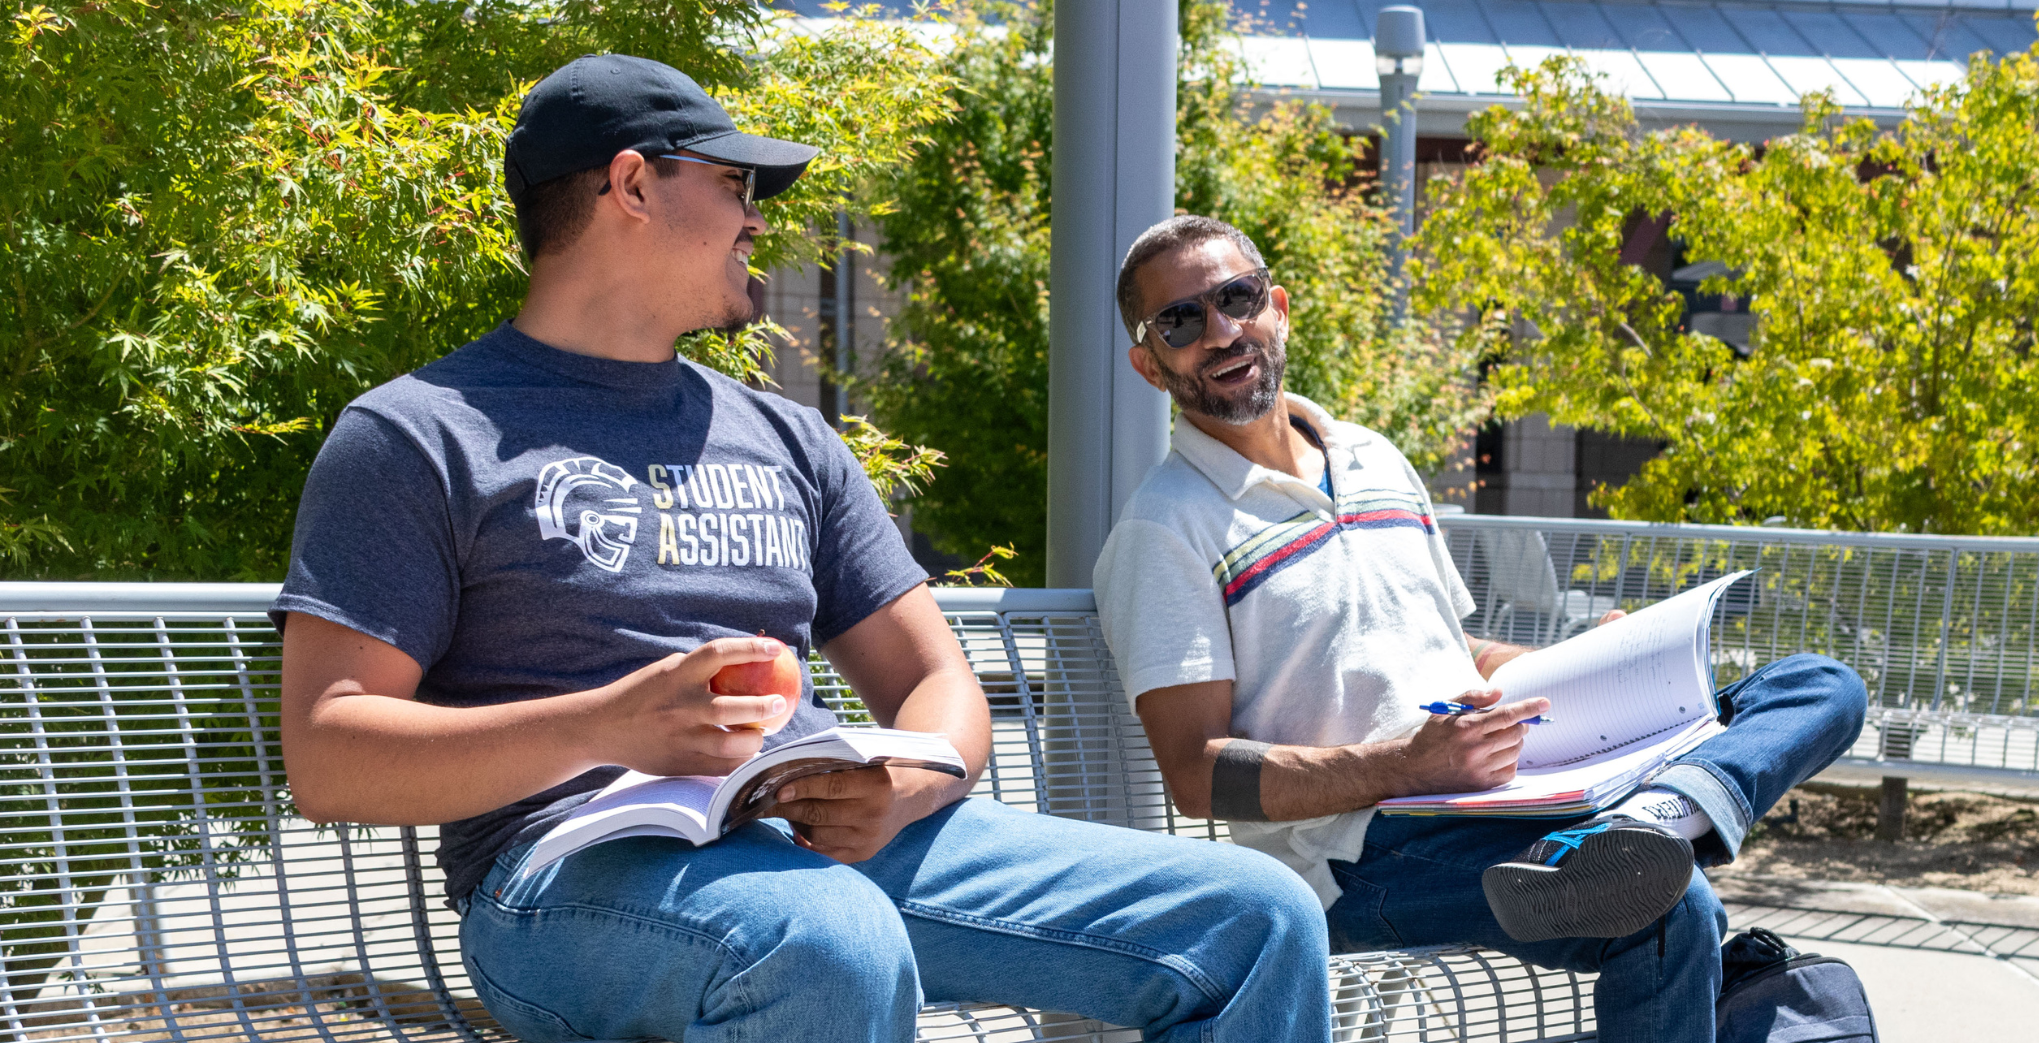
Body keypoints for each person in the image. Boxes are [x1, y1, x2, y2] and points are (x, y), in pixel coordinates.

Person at [274, 57, 1329, 1043]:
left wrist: (912, 777)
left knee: (1256, 914)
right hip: (566, 877)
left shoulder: (783, 435)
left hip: (819, 850)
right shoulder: (419, 433)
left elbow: (931, 679)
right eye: (735, 183)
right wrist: (607, 723)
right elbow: (329, 755)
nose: (754, 216)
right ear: (633, 185)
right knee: (825, 937)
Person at [1093, 215, 1868, 1042]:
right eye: (1180, 320)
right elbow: (1195, 772)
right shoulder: (1164, 528)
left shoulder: (1372, 458)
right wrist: (1404, 765)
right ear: (1148, 362)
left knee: (1819, 684)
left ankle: (1660, 813)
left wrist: (1594, 662)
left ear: (1276, 306)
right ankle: (1652, 832)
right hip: (1363, 855)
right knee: (1669, 900)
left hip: (1510, 783)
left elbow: (1454, 650)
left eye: (1236, 297)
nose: (1220, 330)